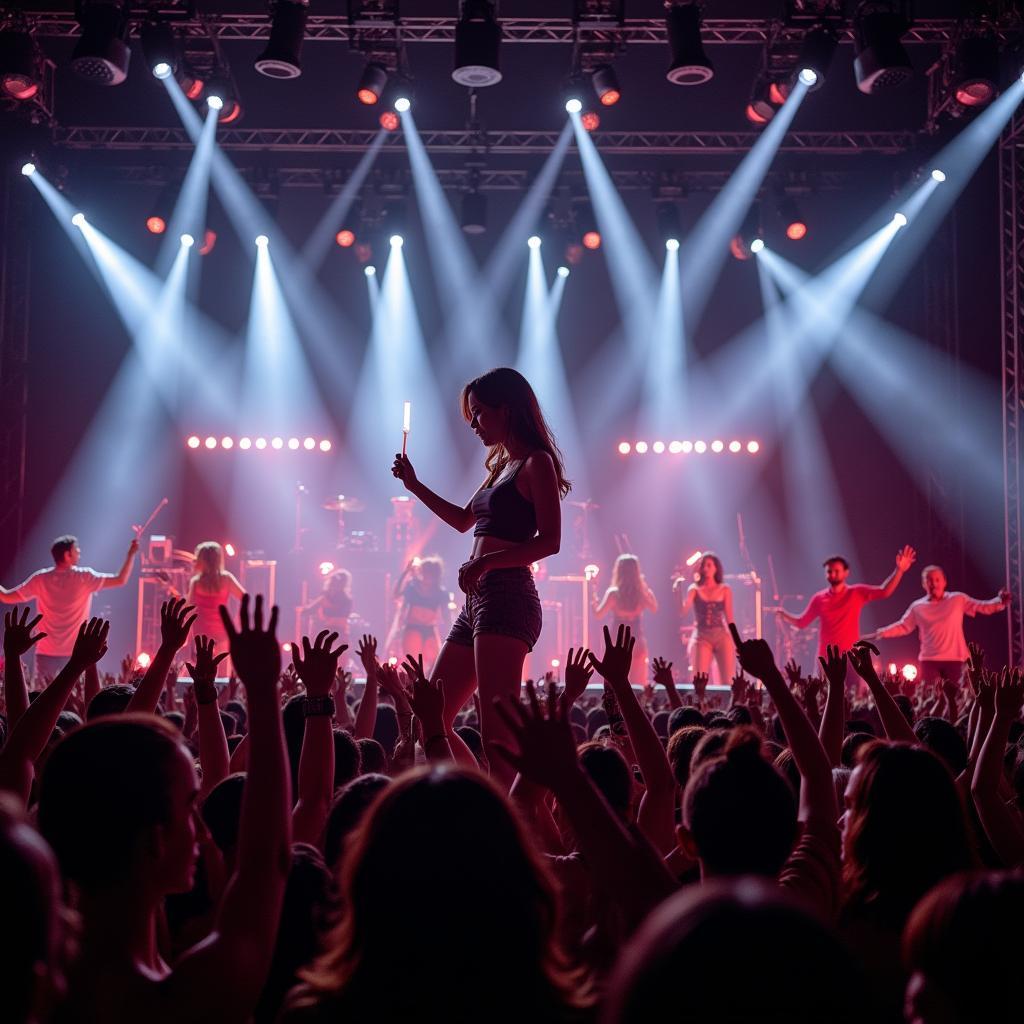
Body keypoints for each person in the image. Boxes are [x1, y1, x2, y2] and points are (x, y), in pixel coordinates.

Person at [36, 594, 292, 1024]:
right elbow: (268, 861)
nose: (202, 830)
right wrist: (264, 692)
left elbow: (111, 760)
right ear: (154, 838)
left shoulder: (44, 976)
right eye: (189, 807)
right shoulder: (167, 1003)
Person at [280, 765, 589, 1023]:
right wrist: (563, 774)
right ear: (519, 881)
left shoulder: (314, 1013)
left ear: (365, 877)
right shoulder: (562, 1010)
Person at [391, 367, 569, 783]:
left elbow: (551, 541)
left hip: (507, 596)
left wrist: (487, 562)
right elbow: (460, 520)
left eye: (479, 413)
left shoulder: (536, 463)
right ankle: (483, 801)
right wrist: (414, 485)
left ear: (505, 409)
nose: (473, 424)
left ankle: (509, 824)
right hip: (477, 601)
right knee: (429, 718)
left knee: (497, 737)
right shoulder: (501, 467)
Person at [0, 534, 138, 678]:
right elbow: (120, 579)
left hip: (46, 652)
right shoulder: (84, 577)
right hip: (76, 653)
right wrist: (131, 554)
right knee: (75, 697)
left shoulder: (40, 579)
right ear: (67, 555)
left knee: (44, 698)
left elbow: (6, 596)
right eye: (76, 549)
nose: (79, 552)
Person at [866, 564, 1011, 686]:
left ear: (944, 582)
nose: (933, 583)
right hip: (929, 660)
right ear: (923, 584)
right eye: (929, 580)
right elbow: (903, 626)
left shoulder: (957, 599)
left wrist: (999, 602)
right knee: (932, 697)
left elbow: (981, 606)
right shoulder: (917, 607)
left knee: (955, 697)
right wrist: (880, 633)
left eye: (937, 579)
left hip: (955, 659)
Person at [772, 547, 916, 661]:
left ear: (846, 573)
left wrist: (900, 571)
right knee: (825, 696)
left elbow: (884, 591)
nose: (832, 574)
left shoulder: (856, 592)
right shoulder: (819, 598)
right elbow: (802, 622)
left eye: (836, 571)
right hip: (826, 658)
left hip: (850, 656)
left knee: (851, 696)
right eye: (829, 571)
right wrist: (783, 614)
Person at [674, 553, 734, 685]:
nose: (706, 568)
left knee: (728, 680)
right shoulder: (694, 589)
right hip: (701, 635)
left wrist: (737, 642)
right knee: (699, 679)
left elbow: (730, 618)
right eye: (703, 566)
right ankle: (700, 704)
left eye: (709, 565)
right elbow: (682, 612)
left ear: (716, 568)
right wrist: (677, 593)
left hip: (721, 634)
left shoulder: (725, 589)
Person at [593, 554, 658, 676]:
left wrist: (593, 601)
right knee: (637, 682)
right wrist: (645, 587)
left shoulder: (613, 594)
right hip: (636, 638)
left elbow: (598, 615)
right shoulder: (642, 594)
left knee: (616, 677)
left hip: (617, 640)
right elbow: (654, 608)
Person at [390, 556, 450, 667]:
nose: (428, 575)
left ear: (436, 575)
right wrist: (406, 572)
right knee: (413, 663)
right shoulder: (412, 587)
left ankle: (426, 683)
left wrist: (451, 634)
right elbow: (396, 594)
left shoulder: (441, 592)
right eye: (426, 571)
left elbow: (447, 616)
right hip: (413, 628)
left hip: (430, 629)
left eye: (431, 573)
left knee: (435, 663)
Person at [186, 542, 245, 655]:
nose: (195, 561)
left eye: (197, 557)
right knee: (222, 670)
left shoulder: (196, 582)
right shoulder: (226, 578)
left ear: (204, 560)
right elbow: (245, 599)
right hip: (222, 635)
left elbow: (188, 609)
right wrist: (237, 621)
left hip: (201, 635)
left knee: (201, 670)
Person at [301, 569, 354, 648]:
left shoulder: (327, 598)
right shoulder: (346, 599)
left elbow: (307, 611)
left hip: (331, 632)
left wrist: (307, 606)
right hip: (339, 633)